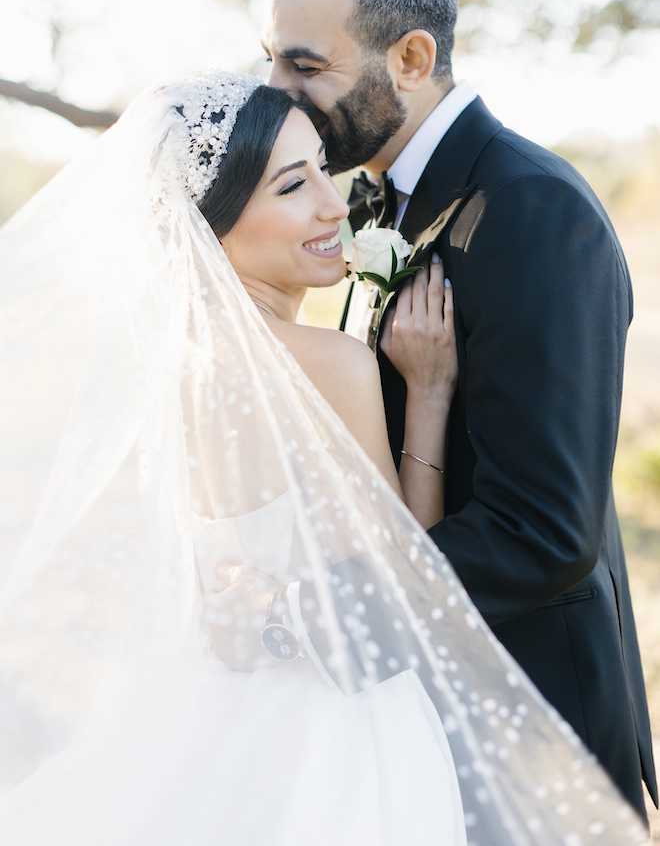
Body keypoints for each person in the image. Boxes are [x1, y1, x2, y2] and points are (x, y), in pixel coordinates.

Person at [0, 70, 649, 845]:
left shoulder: (167, 369)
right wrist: (431, 392)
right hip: (338, 723)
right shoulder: (330, 363)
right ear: (212, 223)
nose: (334, 203)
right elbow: (405, 561)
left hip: (219, 704)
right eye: (292, 185)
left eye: (321, 170)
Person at [261, 0, 657, 820]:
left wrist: (322, 616)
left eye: (305, 65)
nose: (277, 89)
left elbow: (543, 533)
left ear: (411, 59)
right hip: (425, 719)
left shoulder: (534, 213)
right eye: (273, 56)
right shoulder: (368, 205)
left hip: (529, 733)